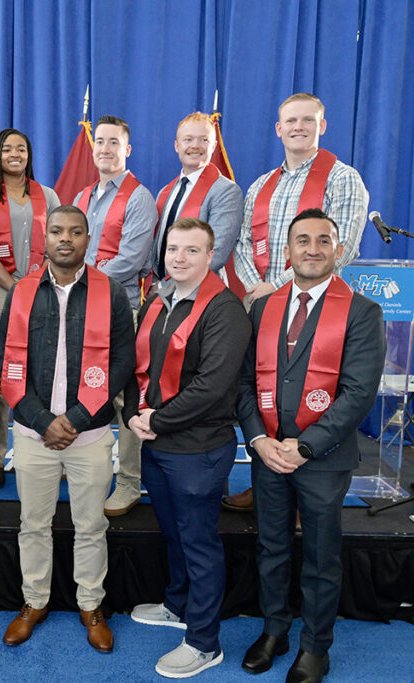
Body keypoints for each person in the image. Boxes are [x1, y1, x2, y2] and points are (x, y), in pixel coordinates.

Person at [236, 209, 384, 683]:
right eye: (303, 240)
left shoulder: (362, 311)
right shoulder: (263, 307)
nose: (313, 249)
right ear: (287, 251)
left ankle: (316, 647)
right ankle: (275, 628)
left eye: (324, 240)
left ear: (339, 251)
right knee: (271, 547)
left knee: (321, 556)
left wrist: (305, 446)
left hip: (322, 458)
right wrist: (258, 439)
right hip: (268, 454)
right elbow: (242, 384)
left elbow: (358, 393)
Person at [0, 205, 136, 653]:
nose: (66, 239)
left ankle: (90, 604)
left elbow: (121, 362)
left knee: (91, 525)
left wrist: (74, 420)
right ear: (45, 236)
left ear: (87, 237)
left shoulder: (110, 292)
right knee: (32, 524)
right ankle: (34, 601)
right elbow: (9, 364)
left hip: (90, 434)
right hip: (34, 433)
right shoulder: (20, 293)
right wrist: (43, 422)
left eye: (75, 232)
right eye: (57, 230)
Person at [226, 93, 369, 514]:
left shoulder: (342, 179)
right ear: (278, 128)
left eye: (308, 120)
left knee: (310, 386)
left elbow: (340, 248)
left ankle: (303, 474)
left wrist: (279, 288)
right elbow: (240, 245)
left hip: (315, 308)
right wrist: (258, 291)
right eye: (291, 120)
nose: (299, 127)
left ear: (322, 126)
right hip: (264, 305)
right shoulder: (260, 184)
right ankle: (269, 474)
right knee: (266, 385)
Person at [124, 218, 251, 678]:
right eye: (173, 248)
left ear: (211, 256)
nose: (179, 257)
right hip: (157, 442)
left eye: (191, 251)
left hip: (198, 448)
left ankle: (203, 641)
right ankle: (178, 604)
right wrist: (133, 415)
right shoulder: (160, 301)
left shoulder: (224, 309)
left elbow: (213, 387)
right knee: (174, 533)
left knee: (198, 541)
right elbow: (141, 369)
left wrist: (156, 419)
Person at [73, 115, 157, 517]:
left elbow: (132, 260)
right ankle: (79, 464)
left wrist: (78, 275)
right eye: (100, 142)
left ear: (128, 149)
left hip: (121, 308)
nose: (105, 149)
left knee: (125, 395)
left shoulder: (139, 196)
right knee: (82, 385)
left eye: (114, 143)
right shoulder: (84, 197)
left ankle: (128, 481)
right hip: (80, 305)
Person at [0, 128, 61, 487]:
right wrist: (17, 289)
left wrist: (35, 288)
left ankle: (46, 449)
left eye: (22, 148)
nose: (15, 154)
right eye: (7, 149)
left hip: (45, 297)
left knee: (43, 377)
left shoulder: (49, 195)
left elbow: (60, 245)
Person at [151, 112, 243, 283]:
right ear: (177, 146)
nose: (195, 145)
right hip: (159, 291)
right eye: (188, 139)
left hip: (201, 292)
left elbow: (217, 253)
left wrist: (168, 288)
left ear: (214, 146)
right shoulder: (165, 192)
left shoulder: (226, 192)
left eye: (204, 140)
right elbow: (156, 248)